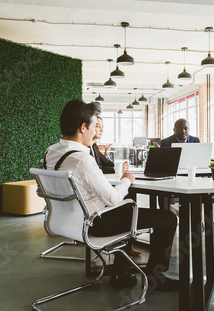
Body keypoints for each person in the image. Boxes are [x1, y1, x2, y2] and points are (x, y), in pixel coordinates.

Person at [44, 99, 178, 291]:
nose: (95, 131)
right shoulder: (82, 159)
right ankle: (155, 276)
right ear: (83, 128)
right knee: (167, 218)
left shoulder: (51, 152)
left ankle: (119, 273)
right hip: (96, 223)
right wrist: (126, 180)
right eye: (93, 126)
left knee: (124, 212)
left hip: (68, 220)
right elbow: (114, 199)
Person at [90, 115, 141, 256]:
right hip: (95, 207)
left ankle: (127, 244)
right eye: (97, 126)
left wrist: (119, 166)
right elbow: (97, 169)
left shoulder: (93, 146)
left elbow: (106, 164)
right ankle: (125, 243)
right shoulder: (84, 152)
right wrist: (121, 175)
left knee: (128, 194)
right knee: (127, 196)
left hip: (95, 198)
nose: (100, 129)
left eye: (102, 127)